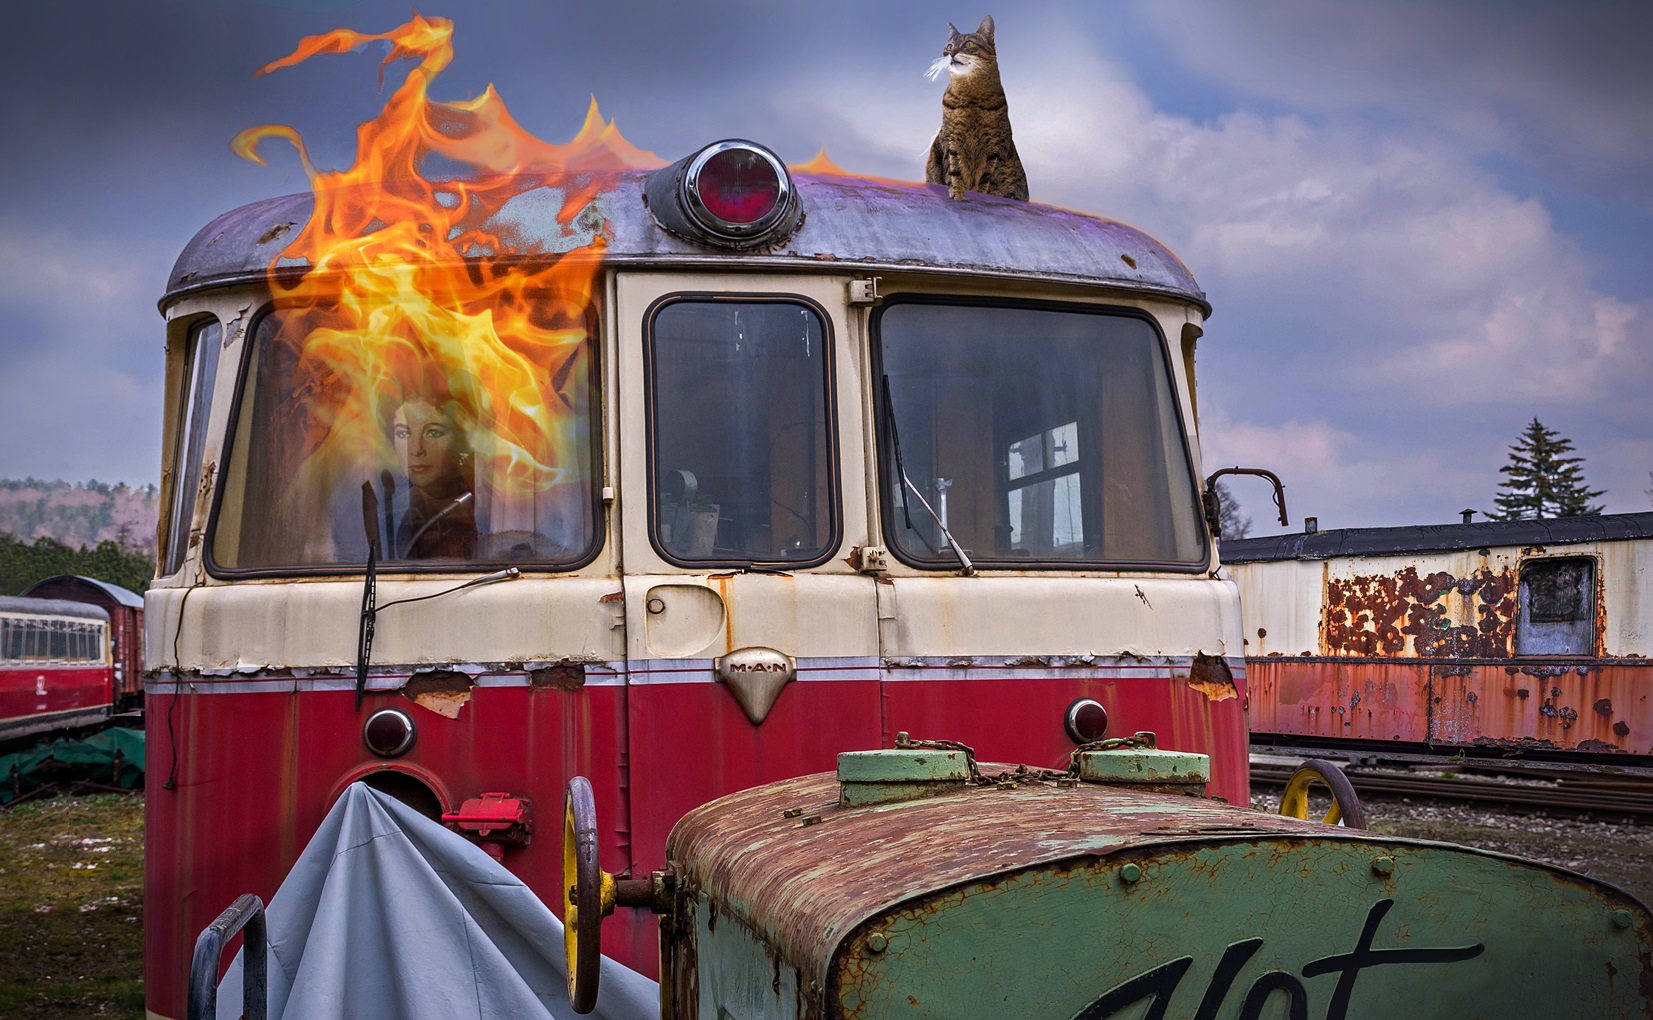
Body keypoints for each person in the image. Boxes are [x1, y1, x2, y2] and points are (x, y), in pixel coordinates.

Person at [391, 397, 478, 560]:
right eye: (402, 433)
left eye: (433, 432)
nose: (416, 449)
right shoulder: (390, 514)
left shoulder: (487, 509)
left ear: (461, 441)